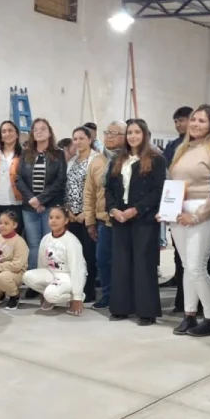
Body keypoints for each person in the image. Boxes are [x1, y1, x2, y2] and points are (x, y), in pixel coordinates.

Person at [166, 105, 210, 337]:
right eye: (193, 120)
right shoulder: (183, 148)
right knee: (185, 267)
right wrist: (168, 210)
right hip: (179, 213)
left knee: (196, 267)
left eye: (202, 121)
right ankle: (189, 315)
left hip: (203, 213)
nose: (195, 124)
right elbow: (173, 183)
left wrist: (198, 214)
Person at [106, 118, 167, 326]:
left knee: (143, 264)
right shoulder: (117, 160)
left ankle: (146, 311)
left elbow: (157, 191)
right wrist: (113, 209)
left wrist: (136, 210)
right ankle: (121, 308)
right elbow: (109, 188)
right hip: (120, 218)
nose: (133, 136)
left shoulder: (156, 159)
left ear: (144, 135)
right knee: (121, 263)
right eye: (130, 132)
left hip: (144, 219)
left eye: (137, 132)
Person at [84, 120, 125, 310]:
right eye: (108, 132)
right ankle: (108, 295)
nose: (109, 136)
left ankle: (122, 296)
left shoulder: (128, 159)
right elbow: (89, 192)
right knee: (103, 260)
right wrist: (90, 221)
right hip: (103, 220)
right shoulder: (97, 160)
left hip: (125, 221)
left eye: (115, 133)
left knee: (122, 262)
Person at [16, 118, 66, 271]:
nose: (39, 131)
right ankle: (33, 278)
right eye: (35, 129)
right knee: (34, 244)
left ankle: (49, 277)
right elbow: (19, 179)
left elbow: (60, 180)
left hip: (50, 207)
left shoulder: (58, 154)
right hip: (29, 206)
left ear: (49, 133)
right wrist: (32, 199)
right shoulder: (26, 154)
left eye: (43, 128)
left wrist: (41, 199)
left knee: (49, 243)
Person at [22, 206, 87, 315]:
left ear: (66, 220)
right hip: (51, 273)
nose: (53, 220)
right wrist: (41, 292)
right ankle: (49, 295)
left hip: (67, 275)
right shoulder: (46, 238)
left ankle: (73, 297)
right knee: (27, 276)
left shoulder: (71, 241)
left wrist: (77, 296)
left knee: (51, 294)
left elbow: (78, 269)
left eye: (58, 217)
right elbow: (42, 263)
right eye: (51, 217)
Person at [161, 106, 194, 297]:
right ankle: (178, 282)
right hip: (175, 200)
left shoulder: (200, 145)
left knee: (195, 254)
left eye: (182, 120)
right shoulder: (172, 146)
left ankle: (190, 296)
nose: (179, 124)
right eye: (176, 121)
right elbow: (167, 175)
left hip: (196, 203)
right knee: (177, 247)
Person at [65, 126, 99, 303]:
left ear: (89, 139)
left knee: (89, 254)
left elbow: (97, 190)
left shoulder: (96, 160)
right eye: (75, 139)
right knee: (75, 254)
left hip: (88, 215)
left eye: (81, 138)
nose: (78, 142)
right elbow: (68, 188)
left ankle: (89, 289)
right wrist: (69, 210)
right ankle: (77, 287)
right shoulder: (72, 162)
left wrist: (87, 213)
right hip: (72, 215)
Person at [0, 211, 29, 310]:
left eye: (6, 224)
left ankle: (14, 295)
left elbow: (17, 265)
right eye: (0, 223)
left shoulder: (19, 242)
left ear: (15, 225)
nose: (2, 226)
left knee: (2, 278)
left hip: (14, 274)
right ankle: (1, 291)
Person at [0, 120, 23, 237]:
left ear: (17, 134)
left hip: (16, 204)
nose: (7, 134)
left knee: (13, 242)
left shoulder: (24, 156)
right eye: (4, 131)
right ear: (0, 136)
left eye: (10, 130)